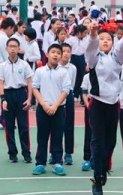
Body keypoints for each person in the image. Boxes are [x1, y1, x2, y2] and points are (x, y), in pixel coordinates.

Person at [85, 21, 123, 195]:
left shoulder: (117, 59)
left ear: (112, 42)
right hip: (97, 103)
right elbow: (91, 47)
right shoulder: (94, 59)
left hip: (113, 104)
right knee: (97, 140)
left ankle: (103, 169)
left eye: (108, 39)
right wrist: (93, 34)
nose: (105, 41)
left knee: (111, 142)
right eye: (102, 38)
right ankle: (97, 177)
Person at [31, 43, 73, 176]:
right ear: (47, 54)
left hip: (58, 109)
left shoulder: (63, 72)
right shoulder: (40, 71)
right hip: (43, 108)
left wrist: (55, 105)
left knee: (57, 136)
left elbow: (66, 90)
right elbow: (35, 88)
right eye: (53, 52)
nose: (56, 55)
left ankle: (57, 162)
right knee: (42, 136)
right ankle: (40, 163)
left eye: (58, 53)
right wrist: (43, 104)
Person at [0, 37, 33, 163]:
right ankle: (12, 152)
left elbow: (29, 82)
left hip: (21, 94)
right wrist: (3, 99)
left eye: (15, 46)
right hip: (8, 95)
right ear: (6, 48)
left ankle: (26, 153)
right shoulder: (2, 66)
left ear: (19, 49)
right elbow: (0, 83)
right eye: (10, 46)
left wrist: (29, 99)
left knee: (24, 126)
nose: (12, 49)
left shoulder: (24, 64)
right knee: (9, 126)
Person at [59, 43, 77, 166]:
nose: (66, 54)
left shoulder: (73, 68)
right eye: (63, 51)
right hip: (56, 94)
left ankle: (68, 153)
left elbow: (72, 84)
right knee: (56, 125)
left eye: (68, 51)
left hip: (69, 94)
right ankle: (55, 151)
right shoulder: (56, 67)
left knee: (69, 125)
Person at [80, 72, 93, 172]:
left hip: (104, 102)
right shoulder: (87, 76)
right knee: (89, 131)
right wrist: (88, 105)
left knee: (103, 132)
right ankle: (88, 158)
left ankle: (101, 159)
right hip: (91, 102)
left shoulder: (105, 74)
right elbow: (84, 93)